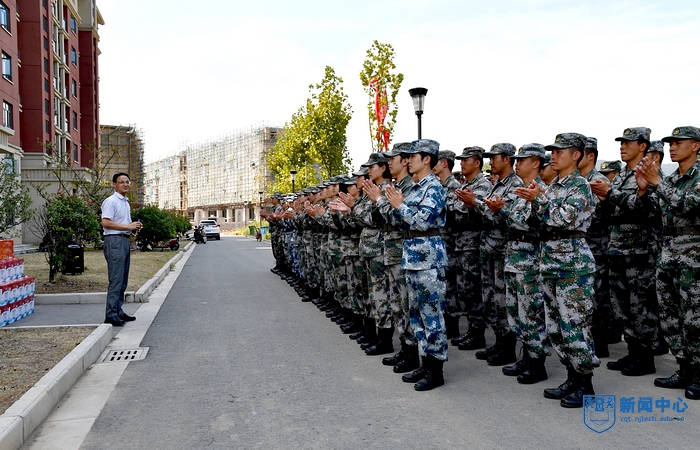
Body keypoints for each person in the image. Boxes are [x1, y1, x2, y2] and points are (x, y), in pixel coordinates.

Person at [519, 132, 598, 408]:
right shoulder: (552, 187)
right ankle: (571, 376)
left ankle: (584, 382)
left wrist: (538, 202)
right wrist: (535, 202)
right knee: (556, 327)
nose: (553, 155)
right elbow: (535, 222)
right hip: (551, 262)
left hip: (573, 265)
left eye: (559, 151)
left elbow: (562, 218)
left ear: (576, 155)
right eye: (552, 151)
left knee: (575, 325)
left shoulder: (580, 186)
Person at [590, 127, 661, 377]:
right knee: (621, 307)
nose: (622, 146)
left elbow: (647, 210)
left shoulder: (650, 174)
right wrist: (604, 201)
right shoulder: (620, 177)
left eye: (628, 142)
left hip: (639, 252)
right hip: (617, 249)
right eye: (621, 142)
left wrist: (612, 196)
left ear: (642, 146)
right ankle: (633, 353)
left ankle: (645, 357)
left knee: (640, 306)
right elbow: (611, 213)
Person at [636, 126, 700, 400]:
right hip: (669, 255)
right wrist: (644, 190)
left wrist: (657, 183)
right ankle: (684, 367)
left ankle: (699, 372)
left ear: (696, 146)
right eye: (670, 143)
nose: (672, 147)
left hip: (693, 258)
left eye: (678, 142)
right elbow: (657, 213)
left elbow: (689, 205)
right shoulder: (672, 177)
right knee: (671, 318)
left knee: (694, 318)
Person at [380, 139, 449, 391]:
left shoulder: (434, 187)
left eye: (413, 156)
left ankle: (436, 369)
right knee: (417, 314)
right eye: (406, 157)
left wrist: (400, 206)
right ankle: (425, 361)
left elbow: (421, 221)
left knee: (432, 316)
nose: (408, 161)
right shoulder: (417, 187)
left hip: (429, 259)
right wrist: (397, 206)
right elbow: (402, 222)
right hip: (412, 256)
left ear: (427, 159)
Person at [502, 144, 549, 384]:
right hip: (514, 258)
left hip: (530, 260)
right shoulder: (522, 191)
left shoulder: (543, 191)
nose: (517, 163)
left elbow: (537, 224)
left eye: (522, 160)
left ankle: (537, 362)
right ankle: (527, 356)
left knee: (531, 313)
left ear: (536, 163)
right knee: (515, 312)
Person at [577, 137, 614, 358]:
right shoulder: (579, 180)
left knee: (597, 299)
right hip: (583, 248)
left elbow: (600, 215)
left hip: (596, 247)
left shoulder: (597, 181)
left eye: (581, 152)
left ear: (590, 156)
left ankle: (600, 343)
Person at [452, 147, 492, 350]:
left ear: (477, 162)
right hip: (462, 244)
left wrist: (465, 204)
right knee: (465, 290)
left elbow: (468, 208)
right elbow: (454, 207)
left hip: (474, 245)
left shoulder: (482, 185)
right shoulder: (467, 184)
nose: (462, 163)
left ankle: (478, 334)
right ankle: (471, 330)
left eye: (466, 160)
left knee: (474, 290)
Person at [101, 172, 142, 327]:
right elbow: (106, 223)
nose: (125, 184)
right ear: (114, 184)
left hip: (124, 241)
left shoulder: (125, 202)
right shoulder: (111, 201)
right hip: (114, 241)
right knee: (116, 280)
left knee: (123, 280)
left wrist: (133, 227)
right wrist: (127, 226)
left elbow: (124, 224)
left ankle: (118, 310)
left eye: (127, 182)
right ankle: (110, 315)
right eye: (121, 182)